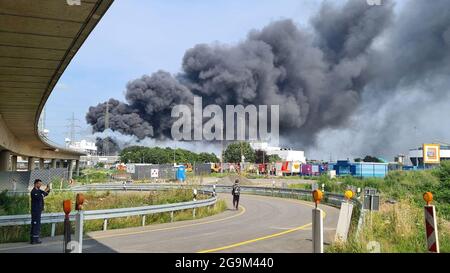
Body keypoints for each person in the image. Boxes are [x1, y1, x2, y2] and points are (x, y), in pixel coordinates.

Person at [30, 179, 51, 244]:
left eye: (41, 184)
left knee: (37, 224)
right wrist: (45, 191)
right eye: (39, 184)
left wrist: (48, 188)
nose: (40, 185)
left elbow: (45, 194)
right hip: (35, 210)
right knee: (35, 224)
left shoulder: (39, 191)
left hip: (38, 210)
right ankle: (34, 239)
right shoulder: (33, 192)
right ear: (35, 184)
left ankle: (35, 239)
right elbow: (39, 197)